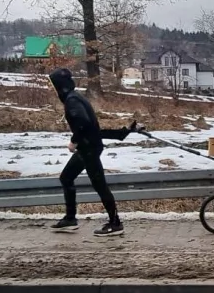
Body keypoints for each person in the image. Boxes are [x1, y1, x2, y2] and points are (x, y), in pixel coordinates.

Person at [48, 67, 143, 236]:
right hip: (89, 146)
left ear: (59, 86)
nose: (53, 89)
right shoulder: (75, 97)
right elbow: (93, 127)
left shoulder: (72, 101)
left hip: (89, 148)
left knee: (100, 186)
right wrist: (123, 132)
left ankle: (115, 223)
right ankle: (70, 219)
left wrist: (73, 141)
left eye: (53, 85)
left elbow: (84, 124)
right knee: (66, 177)